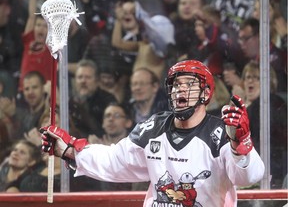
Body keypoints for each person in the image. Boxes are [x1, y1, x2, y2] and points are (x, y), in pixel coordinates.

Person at [41, 59, 264, 206]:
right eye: (176, 85)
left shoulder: (221, 132)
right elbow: (115, 160)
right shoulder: (154, 127)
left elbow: (248, 177)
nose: (180, 90)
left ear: (206, 93)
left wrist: (241, 143)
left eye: (189, 84)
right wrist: (70, 150)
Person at [241, 62, 287, 189]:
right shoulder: (249, 107)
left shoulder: (269, 105)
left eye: (257, 78)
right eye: (248, 77)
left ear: (268, 82)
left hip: (272, 172)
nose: (250, 81)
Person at [88, 102, 133, 191]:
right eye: (107, 116)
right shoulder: (93, 146)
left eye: (116, 116)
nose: (111, 119)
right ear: (103, 123)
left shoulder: (134, 147)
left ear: (128, 122)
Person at [69, 59, 117, 138]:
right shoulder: (70, 101)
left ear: (97, 81)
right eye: (80, 77)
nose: (83, 81)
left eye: (87, 77)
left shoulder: (107, 100)